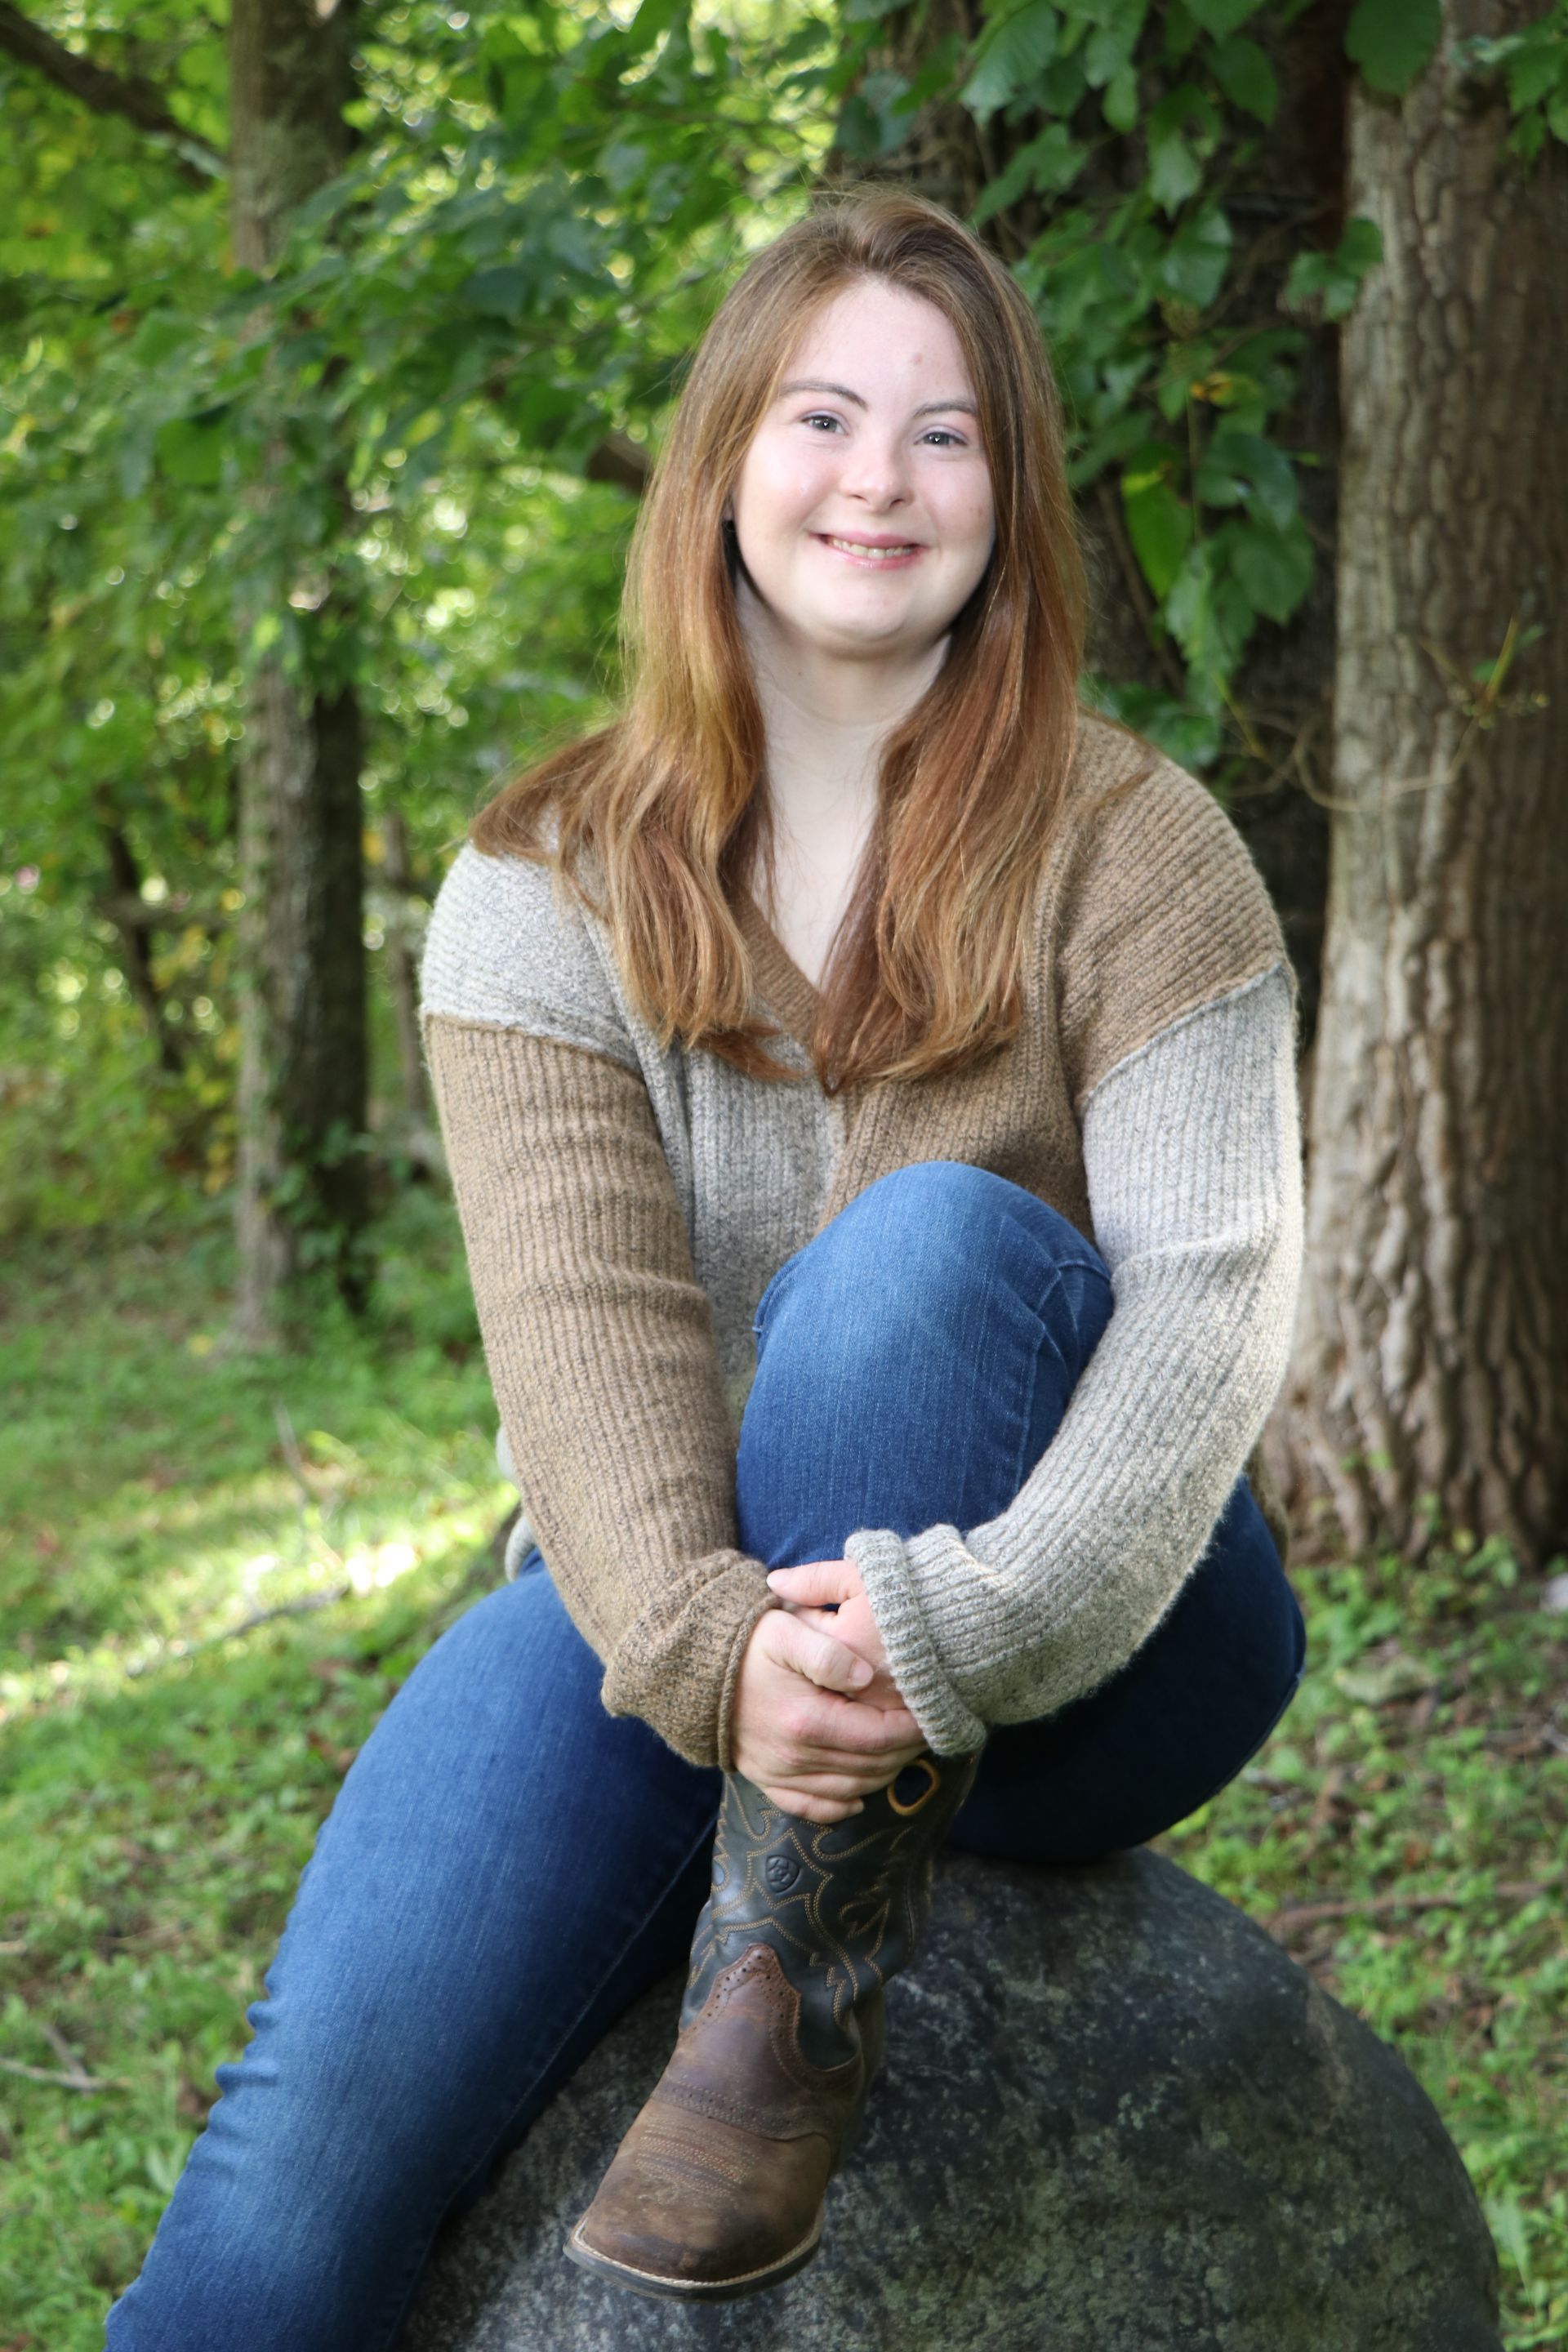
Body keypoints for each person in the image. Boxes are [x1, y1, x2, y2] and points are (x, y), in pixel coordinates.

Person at [105, 188, 1306, 2345]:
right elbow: (593, 1337)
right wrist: (713, 1652)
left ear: (1014, 500)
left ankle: (792, 1989)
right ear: (722, 464)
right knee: (288, 2191)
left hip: (1106, 1637)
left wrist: (963, 1623)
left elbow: (1218, 1295)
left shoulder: (1143, 849)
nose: (879, 478)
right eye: (825, 415)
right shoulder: (538, 882)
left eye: (947, 437)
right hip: (672, 1619)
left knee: (924, 1257)